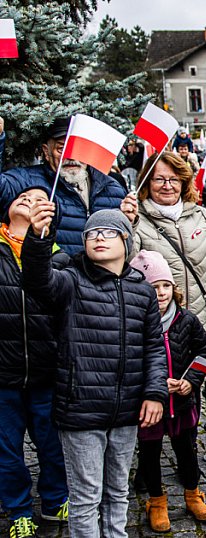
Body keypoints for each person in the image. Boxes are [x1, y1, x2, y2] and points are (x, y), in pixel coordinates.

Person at [23, 207, 168, 538]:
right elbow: (37, 281)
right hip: (81, 411)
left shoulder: (141, 290)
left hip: (127, 411)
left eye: (107, 232)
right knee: (86, 499)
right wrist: (38, 239)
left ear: (126, 240)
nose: (98, 237)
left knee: (118, 494)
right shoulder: (71, 280)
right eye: (91, 233)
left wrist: (154, 392)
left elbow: (154, 348)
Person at [0, 188, 69, 538]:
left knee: (51, 442)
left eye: (40, 198)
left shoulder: (58, 257)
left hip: (45, 369)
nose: (30, 200)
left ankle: (57, 501)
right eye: (23, 196)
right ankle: (18, 511)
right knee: (6, 449)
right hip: (3, 373)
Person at [129, 251, 206, 532]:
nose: (161, 292)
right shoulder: (136, 322)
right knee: (150, 454)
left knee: (187, 452)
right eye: (154, 287)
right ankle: (156, 501)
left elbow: (204, 351)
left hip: (182, 401)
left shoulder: (185, 320)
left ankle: (192, 493)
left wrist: (191, 380)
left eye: (166, 285)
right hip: (151, 405)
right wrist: (151, 386)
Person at [0, 117, 134, 256]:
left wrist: (130, 223)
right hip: (52, 273)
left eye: (79, 148)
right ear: (46, 151)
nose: (71, 156)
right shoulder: (26, 180)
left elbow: (126, 250)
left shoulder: (112, 188)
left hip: (99, 276)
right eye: (62, 149)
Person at [133, 152, 206, 333]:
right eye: (159, 179)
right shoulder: (137, 220)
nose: (167, 186)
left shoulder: (200, 215)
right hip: (158, 325)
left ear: (183, 182)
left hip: (200, 322)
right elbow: (128, 267)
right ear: (147, 182)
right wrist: (128, 224)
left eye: (174, 179)